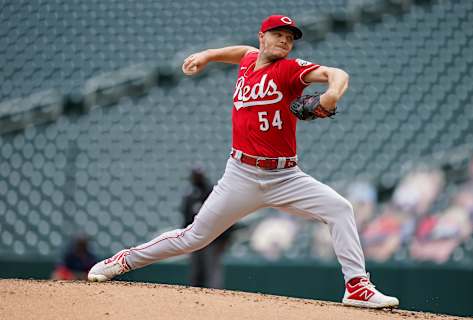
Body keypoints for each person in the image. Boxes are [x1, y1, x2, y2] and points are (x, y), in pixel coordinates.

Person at [88, 15, 399, 309]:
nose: (284, 41)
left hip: (286, 176)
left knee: (340, 208)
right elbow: (241, 52)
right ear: (262, 37)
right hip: (241, 175)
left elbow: (337, 74)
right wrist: (208, 55)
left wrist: (331, 96)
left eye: (290, 38)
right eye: (278, 34)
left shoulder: (289, 70)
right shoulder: (250, 60)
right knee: (194, 237)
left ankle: (357, 285)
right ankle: (124, 260)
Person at [181, 166, 234, 288]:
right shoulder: (190, 195)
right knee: (196, 271)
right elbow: (186, 217)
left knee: (212, 271)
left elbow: (227, 214)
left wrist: (225, 238)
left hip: (213, 240)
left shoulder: (212, 192)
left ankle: (213, 298)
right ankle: (194, 297)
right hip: (195, 239)